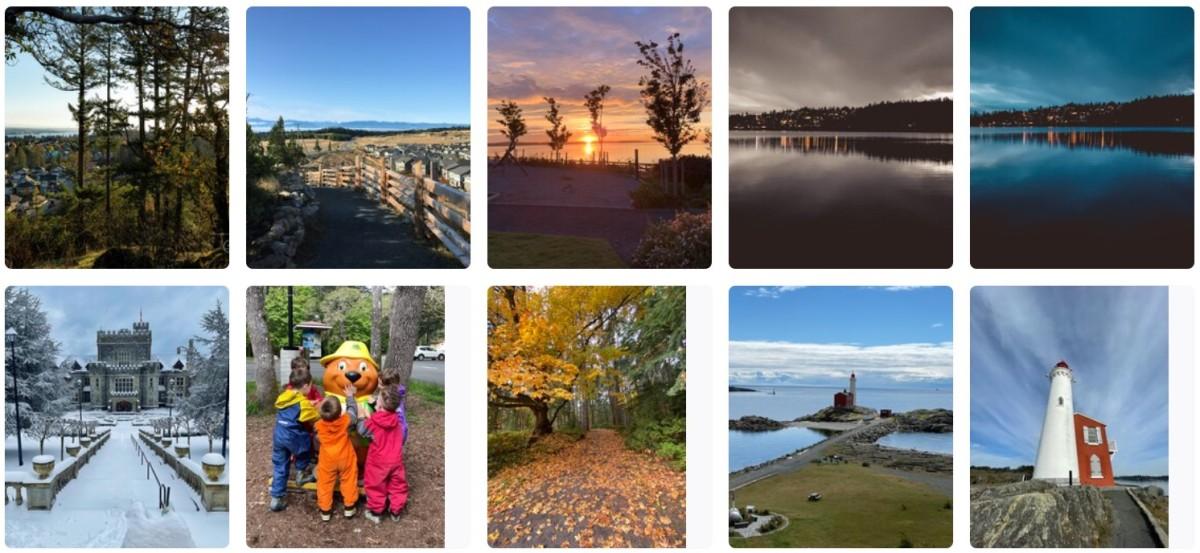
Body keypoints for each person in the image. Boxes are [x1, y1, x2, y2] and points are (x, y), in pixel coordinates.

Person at [270, 365, 319, 512]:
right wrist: (317, 408)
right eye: (310, 386)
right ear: (305, 386)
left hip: (278, 435)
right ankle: (300, 474)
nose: (310, 388)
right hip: (293, 436)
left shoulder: (283, 396)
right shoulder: (302, 403)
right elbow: (314, 416)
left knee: (280, 465)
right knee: (305, 446)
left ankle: (276, 499)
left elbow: (293, 405)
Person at [360, 386, 408, 522]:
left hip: (378, 462)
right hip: (396, 460)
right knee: (397, 485)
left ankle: (376, 512)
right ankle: (396, 511)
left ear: (380, 404)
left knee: (375, 485)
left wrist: (363, 417)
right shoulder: (397, 420)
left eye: (378, 399)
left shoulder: (374, 421)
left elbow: (362, 430)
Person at [315, 385, 360, 521]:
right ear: (340, 413)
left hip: (327, 460)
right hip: (345, 457)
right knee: (349, 479)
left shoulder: (318, 426)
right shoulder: (345, 421)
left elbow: (316, 441)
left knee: (324, 483)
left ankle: (325, 511)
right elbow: (353, 412)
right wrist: (350, 397)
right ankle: (349, 507)